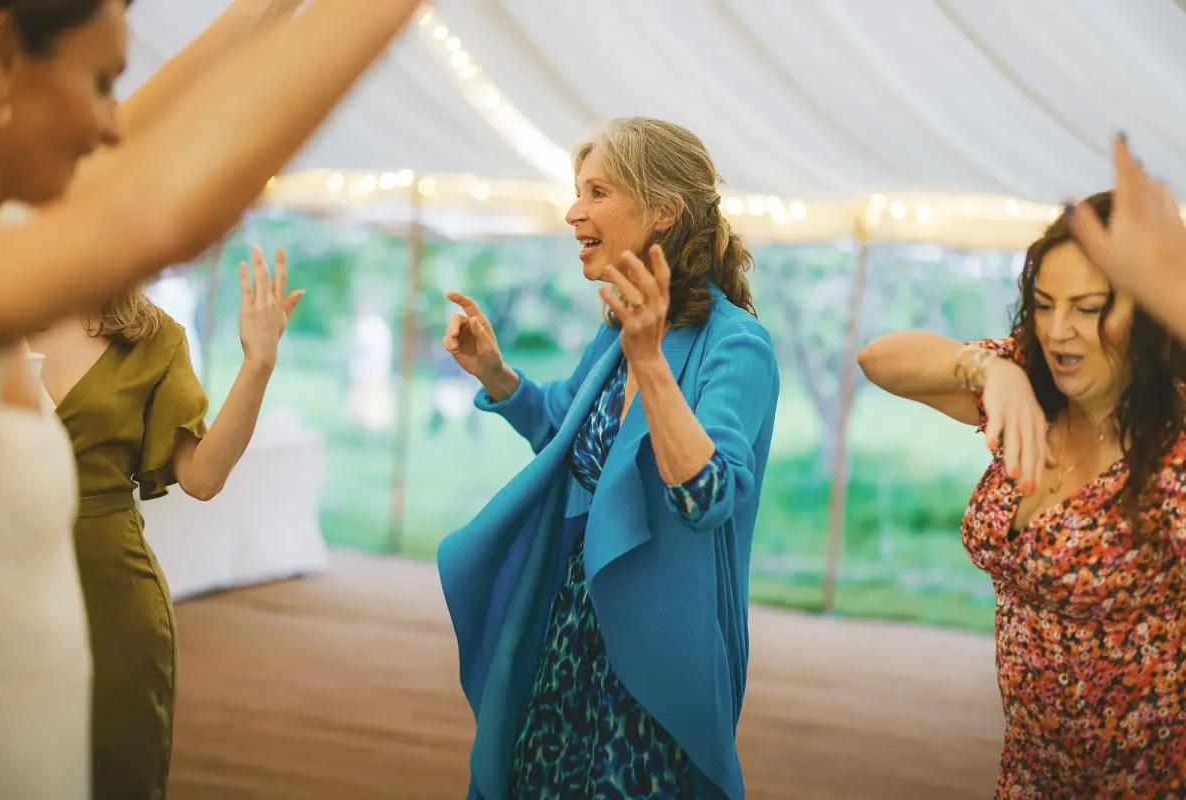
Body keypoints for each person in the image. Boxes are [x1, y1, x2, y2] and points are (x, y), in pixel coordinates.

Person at [0, 1, 422, 797]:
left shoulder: (33, 254)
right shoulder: (6, 267)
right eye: (100, 80)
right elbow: (152, 203)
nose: (115, 125)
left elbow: (140, 160)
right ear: (0, 56)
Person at [438, 117, 780, 800]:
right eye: (577, 193)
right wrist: (497, 375)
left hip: (655, 655)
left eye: (596, 192)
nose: (573, 212)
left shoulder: (737, 347)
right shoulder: (616, 329)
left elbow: (708, 497)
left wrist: (649, 363)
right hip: (568, 637)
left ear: (663, 212)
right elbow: (565, 432)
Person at [858, 155, 1186, 794]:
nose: (1059, 329)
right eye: (1043, 305)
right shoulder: (1029, 385)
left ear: (1149, 314)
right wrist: (986, 368)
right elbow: (879, 358)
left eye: (1089, 307)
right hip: (1030, 775)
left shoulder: (1174, 446)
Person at [29, 244, 299, 798]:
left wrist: (258, 365)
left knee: (111, 774)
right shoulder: (2, 315)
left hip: (110, 598)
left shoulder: (154, 338)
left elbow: (202, 477)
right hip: (5, 581)